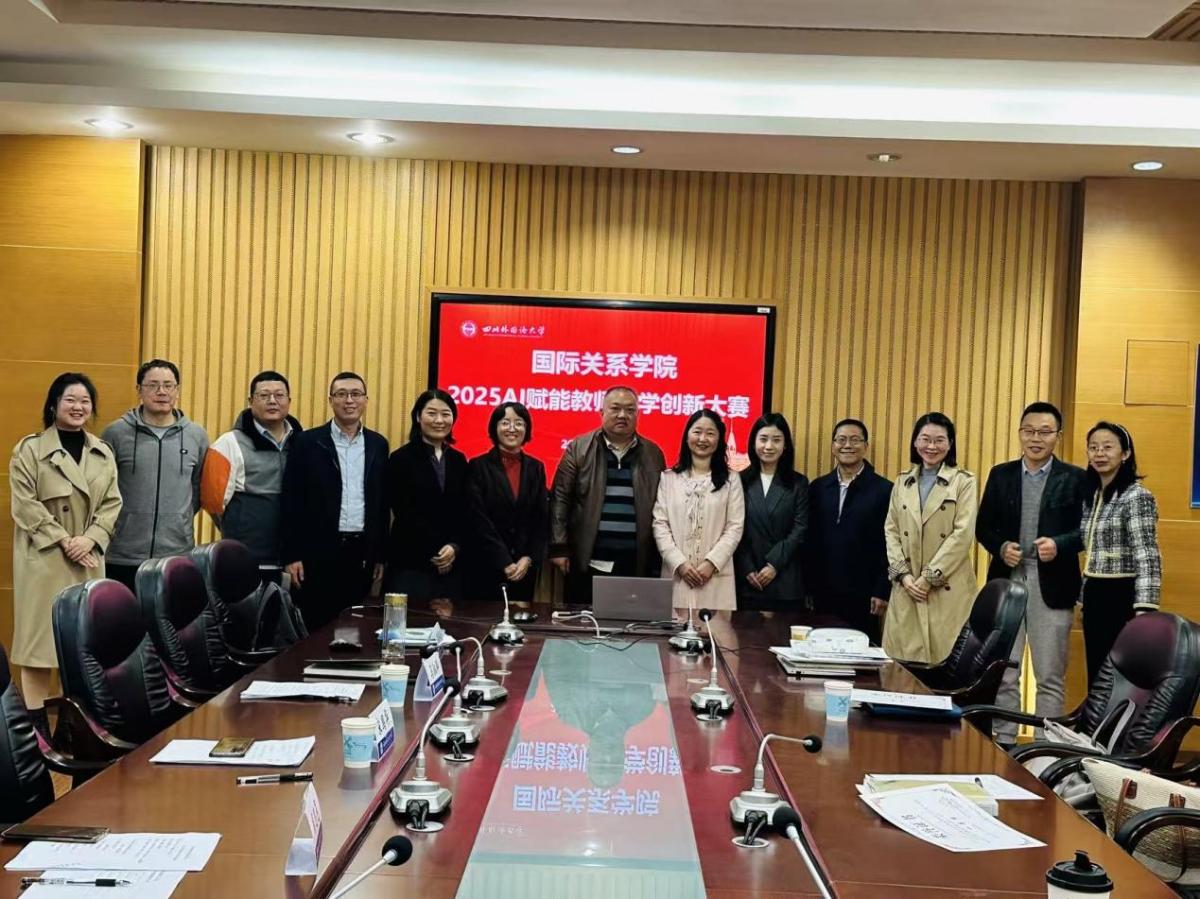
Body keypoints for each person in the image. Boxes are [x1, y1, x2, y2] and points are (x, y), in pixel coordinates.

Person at [9, 373, 122, 735]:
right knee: (38, 652)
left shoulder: (102, 451)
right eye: (70, 400)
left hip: (87, 559)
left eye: (85, 401)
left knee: (79, 650)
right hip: (44, 559)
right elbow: (24, 504)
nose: (78, 407)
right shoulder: (30, 450)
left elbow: (112, 504)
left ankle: (71, 733)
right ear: (53, 404)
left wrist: (90, 539)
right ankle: (36, 735)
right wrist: (63, 540)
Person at [976, 402, 1087, 745]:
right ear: (1020, 433)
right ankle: (1005, 742)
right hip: (1008, 580)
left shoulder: (1075, 478)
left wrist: (1059, 544)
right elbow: (983, 526)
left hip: (1052, 584)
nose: (1036, 438)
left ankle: (1046, 749)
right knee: (1004, 670)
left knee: (1049, 674)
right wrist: (1000, 548)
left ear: (1058, 436)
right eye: (1029, 431)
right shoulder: (1001, 474)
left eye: (1045, 432)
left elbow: (1086, 531)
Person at [280, 372, 389, 630]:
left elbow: (382, 504)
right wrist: (292, 555)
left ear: (365, 400)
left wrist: (380, 555)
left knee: (356, 628)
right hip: (318, 552)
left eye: (356, 394)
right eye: (341, 394)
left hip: (361, 552)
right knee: (317, 627)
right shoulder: (308, 442)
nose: (349, 400)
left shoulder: (378, 444)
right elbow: (291, 501)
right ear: (331, 400)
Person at [549, 386, 667, 604]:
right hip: (588, 558)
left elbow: (663, 507)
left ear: (638, 414)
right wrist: (559, 547)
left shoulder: (653, 453)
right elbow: (560, 499)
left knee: (631, 620)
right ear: (601, 412)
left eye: (630, 410)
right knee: (584, 619)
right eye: (615, 408)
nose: (623, 415)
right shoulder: (579, 448)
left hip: (637, 561)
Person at [101, 359, 209, 594]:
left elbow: (197, 488)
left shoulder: (196, 435)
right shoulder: (115, 433)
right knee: (121, 617)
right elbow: (102, 489)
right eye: (153, 385)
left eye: (168, 385)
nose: (161, 392)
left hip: (176, 554)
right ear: (139, 390)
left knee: (171, 617)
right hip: (122, 554)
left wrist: (178, 518)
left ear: (177, 391)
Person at [883, 412, 978, 664]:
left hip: (945, 587)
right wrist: (904, 576)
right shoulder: (902, 481)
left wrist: (928, 578)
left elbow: (962, 535)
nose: (931, 446)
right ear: (915, 442)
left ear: (950, 443)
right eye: (925, 439)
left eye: (939, 440)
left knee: (946, 664)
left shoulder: (964, 482)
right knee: (902, 666)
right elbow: (891, 530)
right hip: (907, 585)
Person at [1080, 422, 1161, 686]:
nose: (1099, 453)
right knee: (1098, 677)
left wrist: (1145, 608)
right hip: (1095, 594)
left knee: (1121, 678)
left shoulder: (1136, 496)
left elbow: (1147, 555)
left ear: (1125, 454)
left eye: (1107, 447)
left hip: (1122, 595)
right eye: (1093, 448)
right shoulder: (1094, 495)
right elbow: (1092, 550)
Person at [200, 371, 302, 576]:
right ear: (250, 401)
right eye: (264, 395)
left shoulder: (304, 443)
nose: (272, 401)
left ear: (289, 401)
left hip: (295, 563)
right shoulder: (228, 444)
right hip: (246, 560)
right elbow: (213, 503)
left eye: (279, 395)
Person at [803, 418, 893, 641]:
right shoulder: (818, 487)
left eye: (855, 440)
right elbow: (810, 542)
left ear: (866, 446)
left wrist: (882, 589)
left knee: (861, 652)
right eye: (841, 440)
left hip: (865, 594)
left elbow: (889, 544)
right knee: (821, 649)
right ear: (833, 446)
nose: (847, 445)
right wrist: (807, 587)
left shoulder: (884, 490)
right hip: (823, 591)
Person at [652, 409, 745, 611]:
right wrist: (680, 564)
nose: (703, 439)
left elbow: (735, 527)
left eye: (710, 433)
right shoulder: (668, 478)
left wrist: (711, 563)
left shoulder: (731, 480)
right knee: (672, 628)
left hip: (715, 577)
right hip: (677, 576)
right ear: (687, 437)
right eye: (697, 432)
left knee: (716, 630)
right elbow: (660, 525)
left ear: (719, 440)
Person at [385, 388, 470, 603]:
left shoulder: (459, 460)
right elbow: (404, 512)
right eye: (431, 413)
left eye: (445, 414)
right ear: (418, 416)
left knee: (451, 623)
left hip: (452, 565)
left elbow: (465, 511)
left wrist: (454, 547)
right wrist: (437, 553)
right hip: (411, 564)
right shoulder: (400, 459)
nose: (439, 420)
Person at [467, 402, 549, 604]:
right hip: (485, 566)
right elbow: (478, 518)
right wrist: (503, 560)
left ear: (526, 429)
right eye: (505, 423)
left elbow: (541, 518)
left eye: (519, 423)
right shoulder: (478, 466)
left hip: (524, 569)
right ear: (494, 428)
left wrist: (528, 558)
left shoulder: (536, 468)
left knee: (521, 621)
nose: (512, 428)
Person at [733, 413, 809, 612]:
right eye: (763, 439)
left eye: (776, 440)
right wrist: (747, 567)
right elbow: (733, 528)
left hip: (785, 580)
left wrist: (773, 565)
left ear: (785, 445)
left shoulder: (798, 483)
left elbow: (800, 529)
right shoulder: (739, 481)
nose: (768, 446)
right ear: (753, 443)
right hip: (749, 580)